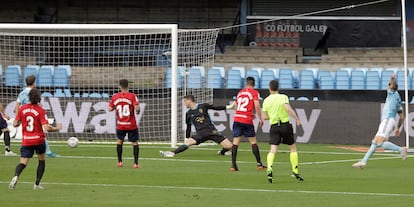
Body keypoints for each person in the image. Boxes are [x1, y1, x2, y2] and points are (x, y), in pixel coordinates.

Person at [9, 88, 62, 190]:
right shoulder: (40, 110)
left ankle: (16, 176)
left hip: (26, 140)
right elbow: (46, 127)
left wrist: (20, 122)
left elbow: (15, 124)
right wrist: (56, 128)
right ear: (39, 98)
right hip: (38, 140)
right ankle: (36, 184)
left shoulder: (22, 108)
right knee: (41, 161)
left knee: (23, 163)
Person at [352, 73, 407, 169]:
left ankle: (401, 150)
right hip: (388, 121)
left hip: (388, 120)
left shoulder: (392, 93)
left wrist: (392, 78)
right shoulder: (398, 99)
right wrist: (398, 127)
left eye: (389, 84)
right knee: (375, 142)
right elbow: (402, 116)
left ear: (392, 87)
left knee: (379, 143)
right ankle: (363, 161)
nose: (388, 86)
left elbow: (393, 85)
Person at [160, 95, 232, 158]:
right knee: (187, 143)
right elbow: (188, 126)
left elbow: (216, 108)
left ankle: (222, 152)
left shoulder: (203, 106)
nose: (184, 103)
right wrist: (187, 137)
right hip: (200, 134)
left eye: (185, 101)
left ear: (189, 100)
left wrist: (229, 107)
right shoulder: (188, 114)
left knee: (229, 146)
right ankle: (172, 153)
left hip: (211, 131)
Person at [262, 80, 304, 183]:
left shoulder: (266, 100)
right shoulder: (283, 97)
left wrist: (272, 115)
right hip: (285, 125)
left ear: (269, 88)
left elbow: (264, 117)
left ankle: (269, 168)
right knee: (292, 148)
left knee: (273, 150)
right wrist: (297, 119)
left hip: (274, 126)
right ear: (278, 88)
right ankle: (295, 170)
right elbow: (288, 109)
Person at [14, 75, 59, 158]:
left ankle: (23, 148)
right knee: (40, 134)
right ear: (34, 82)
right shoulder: (34, 92)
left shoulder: (21, 93)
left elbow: (17, 105)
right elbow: (36, 104)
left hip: (24, 115)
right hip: (34, 115)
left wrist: (18, 116)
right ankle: (48, 152)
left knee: (27, 134)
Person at [226, 77, 265, 171]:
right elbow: (257, 105)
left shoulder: (240, 92)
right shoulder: (254, 92)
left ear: (246, 83)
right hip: (247, 120)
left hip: (237, 118)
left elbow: (236, 106)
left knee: (235, 142)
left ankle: (233, 165)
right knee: (253, 142)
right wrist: (260, 117)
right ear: (254, 84)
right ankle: (259, 164)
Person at [108, 79, 141, 168]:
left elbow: (110, 109)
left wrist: (117, 106)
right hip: (131, 124)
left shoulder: (115, 97)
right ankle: (136, 163)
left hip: (120, 124)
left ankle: (119, 162)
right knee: (134, 143)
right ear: (128, 86)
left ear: (119, 86)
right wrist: (137, 111)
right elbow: (137, 108)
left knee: (120, 141)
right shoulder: (132, 96)